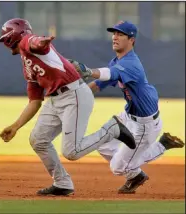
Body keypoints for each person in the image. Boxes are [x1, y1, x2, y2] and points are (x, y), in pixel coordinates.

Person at [0, 18, 136, 196]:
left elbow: (35, 42)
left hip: (74, 95)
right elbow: (35, 101)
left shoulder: (28, 43)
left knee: (72, 152)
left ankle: (113, 128)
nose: (4, 42)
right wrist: (15, 126)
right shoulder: (28, 66)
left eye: (5, 38)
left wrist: (42, 42)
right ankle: (62, 183)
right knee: (38, 140)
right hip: (55, 100)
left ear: (13, 36)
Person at [69, 20, 184, 194]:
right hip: (128, 115)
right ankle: (135, 173)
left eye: (120, 34)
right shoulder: (118, 60)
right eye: (114, 33)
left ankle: (163, 144)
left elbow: (109, 73)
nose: (115, 37)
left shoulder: (131, 64)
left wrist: (88, 70)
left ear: (132, 40)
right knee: (103, 144)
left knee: (117, 167)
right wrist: (78, 94)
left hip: (144, 124)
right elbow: (101, 83)